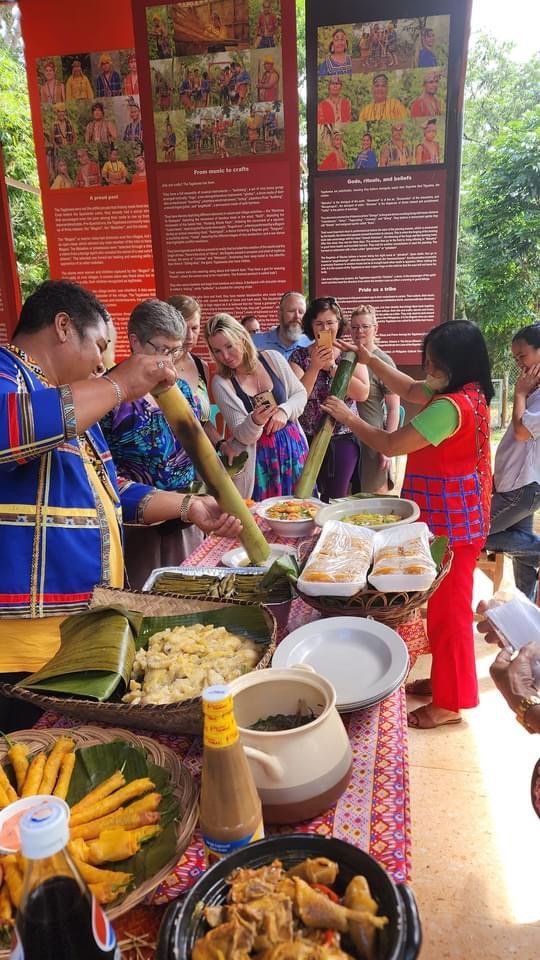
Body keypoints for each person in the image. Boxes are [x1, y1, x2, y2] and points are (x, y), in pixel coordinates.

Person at [0, 280, 241, 731]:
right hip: (18, 646)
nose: (102, 361)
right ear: (63, 326)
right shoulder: (8, 373)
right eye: (99, 345)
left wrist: (189, 506)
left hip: (76, 631)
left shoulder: (68, 396)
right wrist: (118, 384)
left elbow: (110, 490)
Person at [322, 320, 494, 728]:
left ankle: (450, 704)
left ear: (456, 365)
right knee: (442, 610)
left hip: (455, 526)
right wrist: (369, 360)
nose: (427, 368)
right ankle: (444, 682)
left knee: (450, 616)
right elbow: (412, 388)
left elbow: (391, 443)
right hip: (456, 517)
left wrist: (349, 417)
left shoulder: (449, 408)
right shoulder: (466, 391)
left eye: (434, 363)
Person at [100, 299, 214, 588]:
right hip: (137, 526)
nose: (169, 360)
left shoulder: (182, 389)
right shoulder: (108, 394)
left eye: (175, 351)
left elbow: (194, 449)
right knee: (145, 597)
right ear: (135, 341)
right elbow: (100, 472)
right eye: (162, 349)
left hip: (188, 519)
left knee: (191, 594)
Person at [206, 313, 308, 501]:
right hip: (259, 462)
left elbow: (300, 394)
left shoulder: (273, 358)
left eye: (229, 346)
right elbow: (241, 434)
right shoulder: (221, 382)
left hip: (292, 449)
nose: (225, 356)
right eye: (217, 351)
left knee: (300, 508)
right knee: (263, 513)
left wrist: (284, 411)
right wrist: (255, 421)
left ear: (242, 338)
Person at [289, 297, 369, 501]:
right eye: (319, 323)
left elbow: (362, 393)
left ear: (339, 323)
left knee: (336, 498)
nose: (325, 328)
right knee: (305, 497)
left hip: (343, 437)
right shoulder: (299, 356)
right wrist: (315, 367)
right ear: (310, 325)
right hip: (307, 438)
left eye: (330, 322)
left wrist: (333, 367)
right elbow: (298, 398)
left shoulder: (351, 353)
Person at [484, 324, 540, 602]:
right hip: (516, 483)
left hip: (524, 487)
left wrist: (519, 394)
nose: (519, 363)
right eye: (515, 357)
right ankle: (525, 610)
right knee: (523, 556)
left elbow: (521, 432)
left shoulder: (529, 391)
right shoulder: (534, 389)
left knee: (472, 534)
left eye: (523, 355)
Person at [348, 306, 399, 494]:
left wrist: (388, 448)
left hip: (374, 441)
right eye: (354, 327)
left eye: (365, 326)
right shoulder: (347, 357)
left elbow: (394, 408)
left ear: (375, 328)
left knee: (375, 497)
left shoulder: (383, 361)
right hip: (347, 439)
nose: (359, 331)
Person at [167, 294, 224, 452]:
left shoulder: (201, 366)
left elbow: (202, 421)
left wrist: (221, 443)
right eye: (183, 328)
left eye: (194, 328)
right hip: (165, 460)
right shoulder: (157, 366)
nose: (189, 336)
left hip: (198, 458)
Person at [252, 291, 311, 359]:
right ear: (280, 314)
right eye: (291, 311)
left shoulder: (311, 344)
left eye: (301, 312)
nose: (297, 316)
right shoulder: (255, 342)